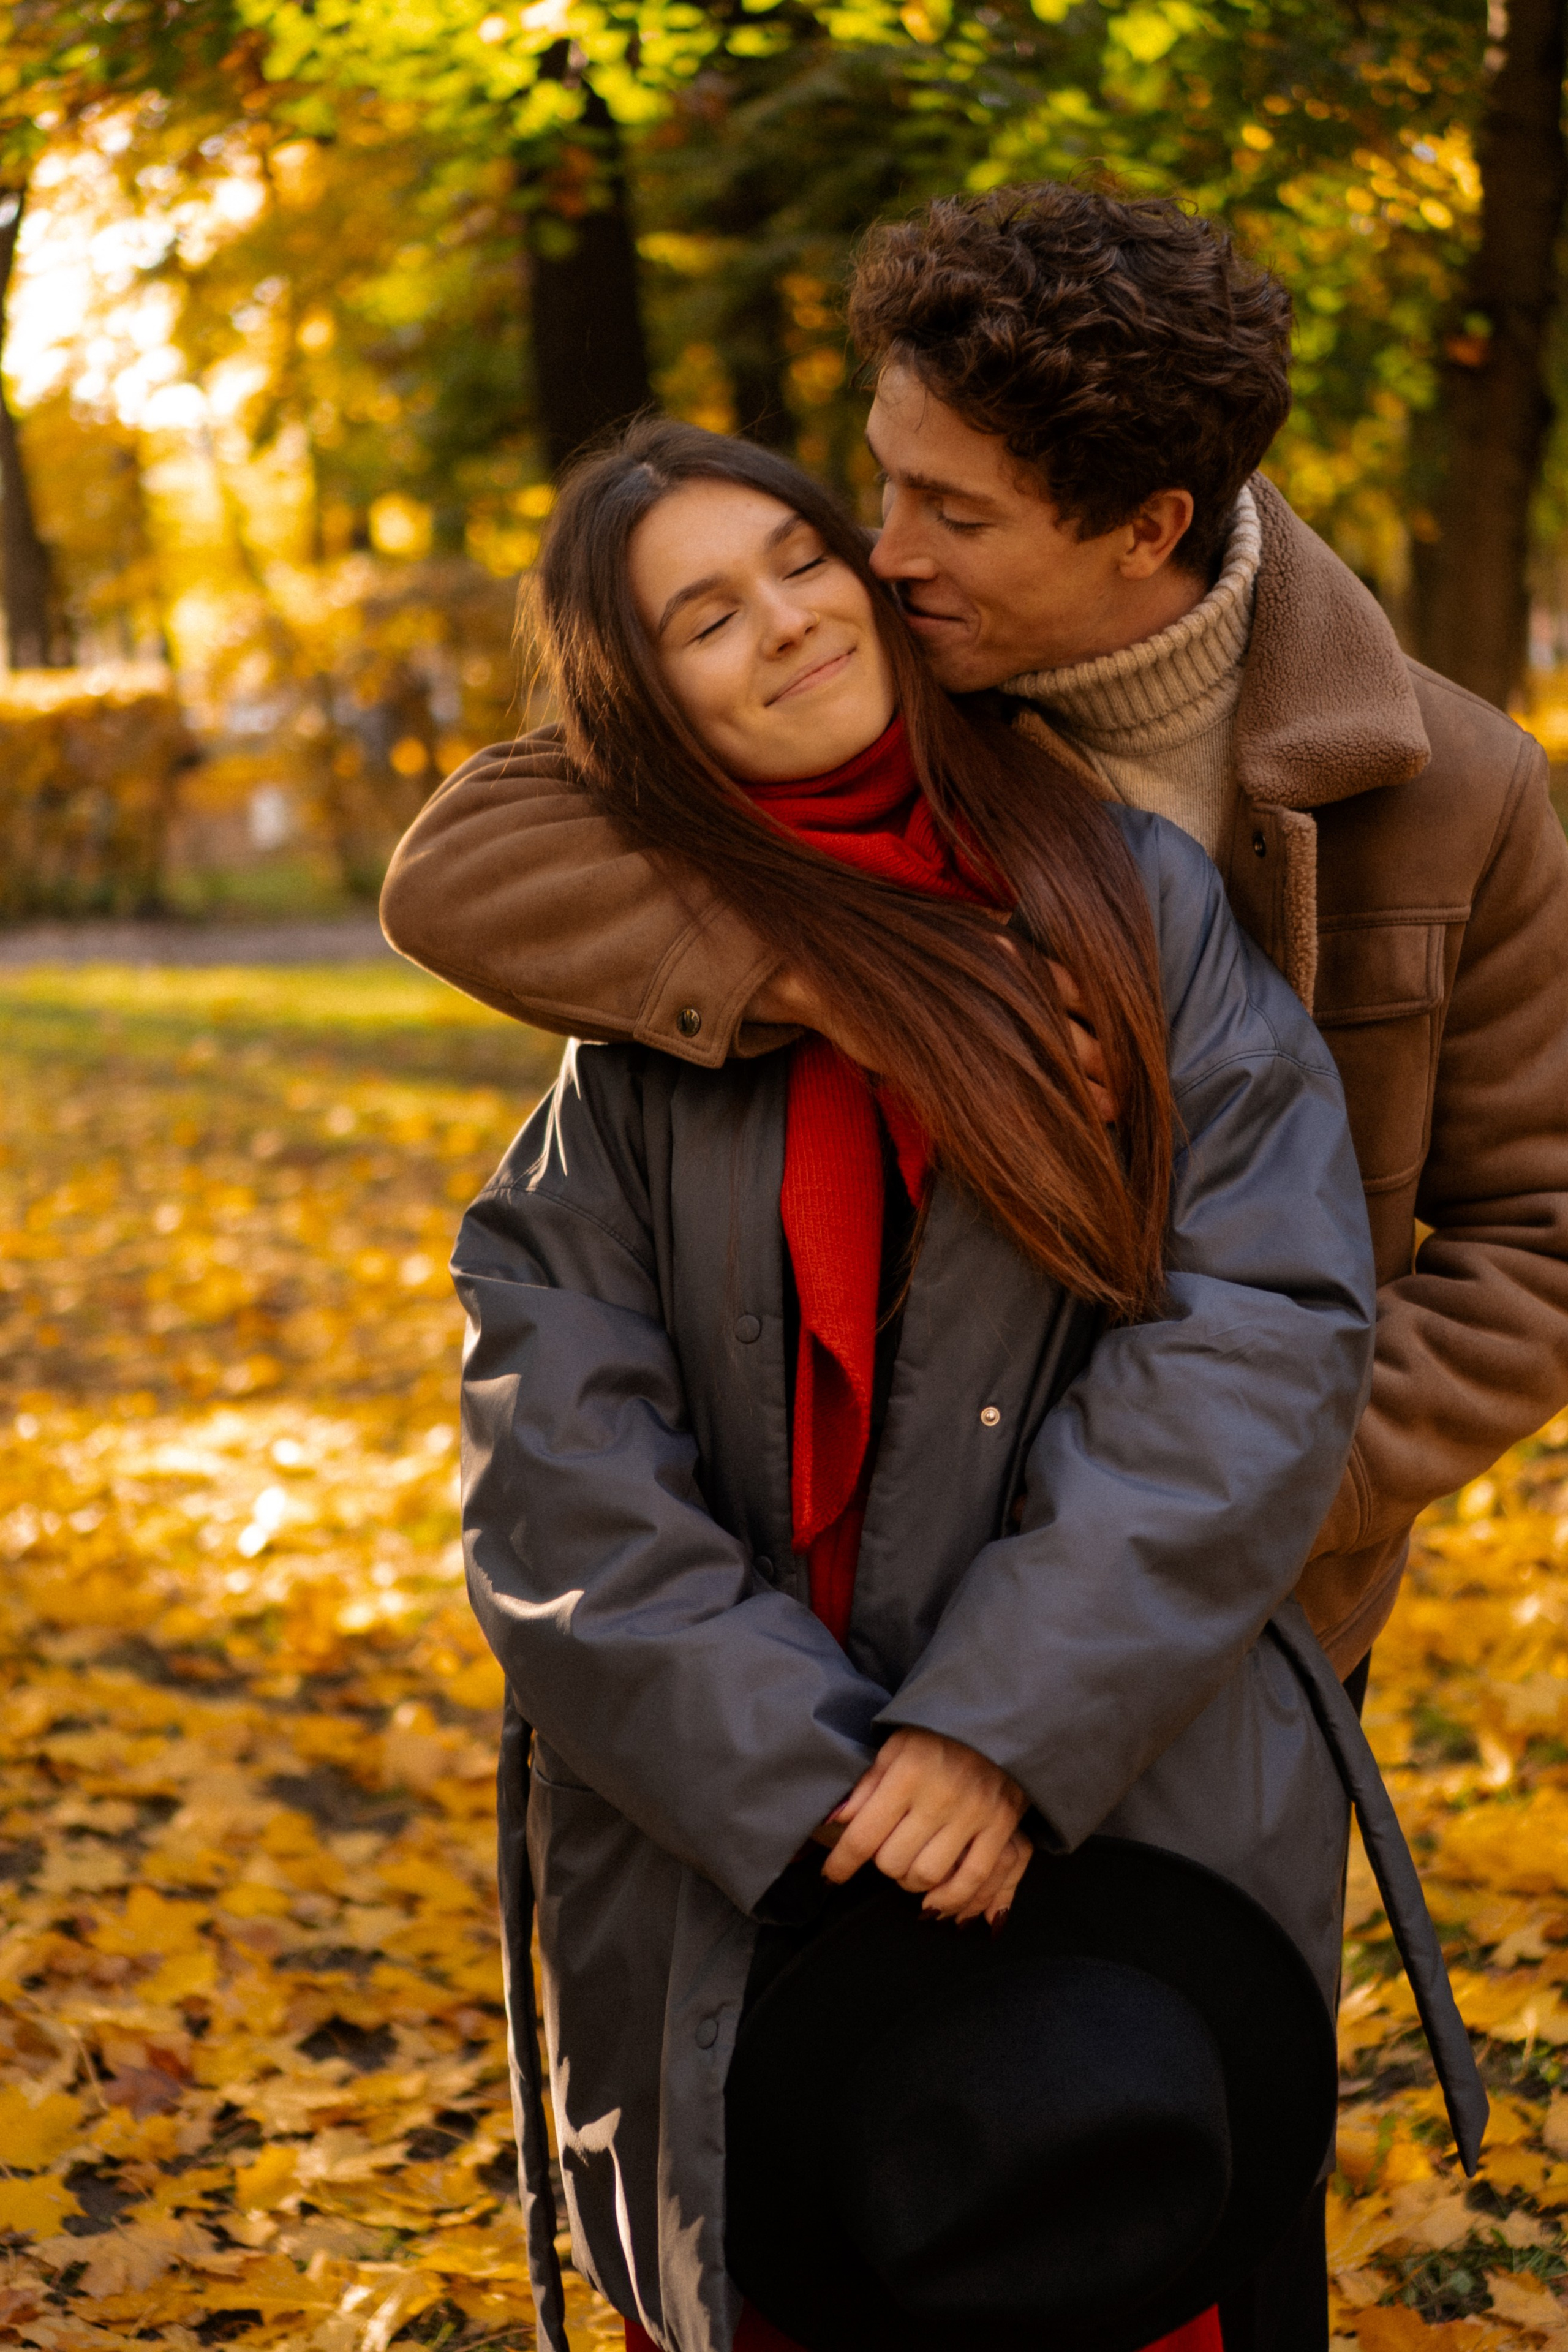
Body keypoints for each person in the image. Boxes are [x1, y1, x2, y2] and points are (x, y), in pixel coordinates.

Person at [451, 415, 1404, 2352]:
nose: (789, 622)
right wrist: (825, 1797)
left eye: (801, 560)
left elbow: (1266, 1317)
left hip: (1108, 1787)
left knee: (1093, 2244)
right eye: (705, 620)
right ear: (646, 708)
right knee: (805, 2253)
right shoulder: (638, 1037)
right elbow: (556, 1480)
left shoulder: (1128, 898)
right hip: (749, 1846)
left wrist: (997, 1730)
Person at [382, 183, 1568, 1706]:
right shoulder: (889, 671)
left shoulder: (1448, 792)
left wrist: (1214, 1512)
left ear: (1145, 529)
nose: (880, 555)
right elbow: (473, 856)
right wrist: (851, 982)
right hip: (826, 1589)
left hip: (1229, 1637)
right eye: (884, 485)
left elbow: (1532, 1250)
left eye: (954, 515)